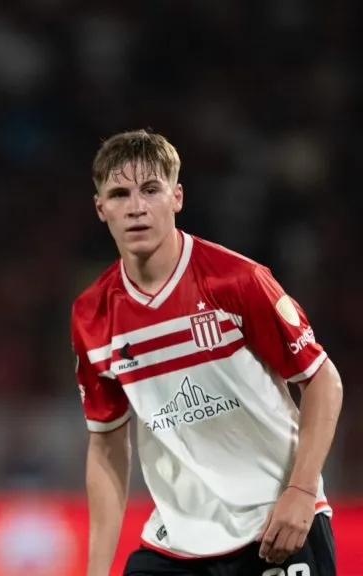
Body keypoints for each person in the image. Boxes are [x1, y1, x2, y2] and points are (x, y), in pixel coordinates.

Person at [73, 129, 341, 576]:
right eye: (119, 194)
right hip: (177, 544)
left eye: (151, 190)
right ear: (101, 208)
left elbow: (322, 379)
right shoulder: (92, 314)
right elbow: (106, 443)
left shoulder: (236, 281)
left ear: (176, 197)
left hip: (275, 525)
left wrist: (301, 491)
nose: (136, 207)